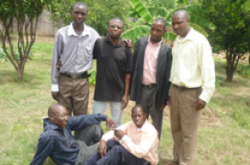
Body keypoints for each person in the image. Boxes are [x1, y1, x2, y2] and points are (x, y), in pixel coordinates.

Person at [167, 10, 215, 165]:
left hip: (191, 93)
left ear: (188, 20)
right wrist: (170, 92)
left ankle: (185, 163)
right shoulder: (178, 40)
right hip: (175, 91)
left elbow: (208, 69)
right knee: (176, 129)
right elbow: (175, 68)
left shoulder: (199, 41)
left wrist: (205, 95)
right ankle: (176, 160)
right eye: (173, 23)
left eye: (179, 22)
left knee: (188, 133)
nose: (175, 26)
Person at [30, 103, 115, 165]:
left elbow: (83, 119)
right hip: (76, 159)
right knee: (108, 144)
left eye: (67, 115)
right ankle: (100, 155)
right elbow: (38, 158)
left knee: (95, 126)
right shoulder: (48, 136)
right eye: (63, 116)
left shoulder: (62, 122)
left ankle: (99, 156)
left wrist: (104, 117)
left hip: (78, 145)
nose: (66, 119)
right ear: (52, 117)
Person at [130, 18, 172, 139]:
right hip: (142, 89)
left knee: (156, 124)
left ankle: (152, 152)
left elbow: (167, 76)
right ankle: (137, 148)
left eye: (158, 30)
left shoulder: (167, 50)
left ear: (164, 31)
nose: (154, 33)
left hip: (156, 92)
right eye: (152, 29)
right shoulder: (140, 43)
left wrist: (164, 98)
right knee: (139, 120)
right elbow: (134, 66)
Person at [85, 105, 159, 165]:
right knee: (110, 143)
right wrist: (103, 140)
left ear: (145, 115)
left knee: (118, 151)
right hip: (131, 155)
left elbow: (140, 153)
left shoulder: (151, 131)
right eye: (134, 116)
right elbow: (115, 131)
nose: (137, 118)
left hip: (144, 161)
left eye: (139, 116)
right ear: (131, 116)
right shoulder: (131, 125)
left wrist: (124, 137)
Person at [92, 17, 132, 127]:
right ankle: (96, 142)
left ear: (122, 31)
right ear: (107, 28)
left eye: (119, 27)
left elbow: (128, 72)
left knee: (117, 122)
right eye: (112, 26)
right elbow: (86, 57)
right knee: (95, 120)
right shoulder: (99, 43)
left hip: (118, 91)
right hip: (102, 89)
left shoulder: (126, 47)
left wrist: (126, 94)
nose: (115, 28)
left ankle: (115, 142)